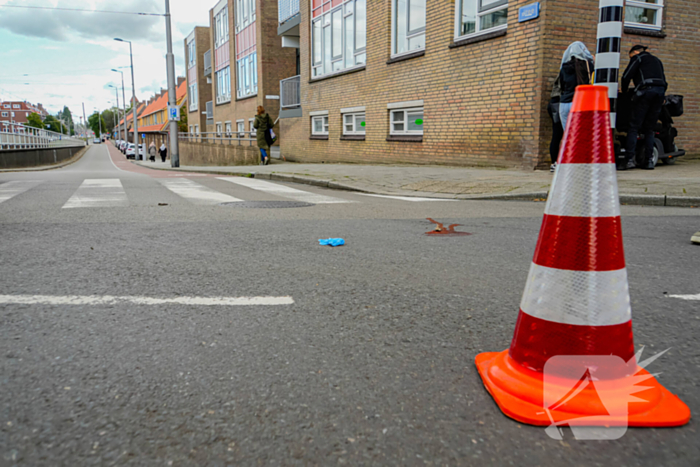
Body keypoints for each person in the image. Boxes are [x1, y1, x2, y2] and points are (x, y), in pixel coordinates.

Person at [620, 45, 667, 170]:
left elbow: (626, 76)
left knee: (634, 127)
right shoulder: (657, 60)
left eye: (630, 56)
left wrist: (624, 92)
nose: (631, 58)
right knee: (649, 129)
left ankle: (629, 160)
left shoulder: (638, 58)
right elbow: (664, 79)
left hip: (645, 92)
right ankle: (649, 161)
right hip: (659, 93)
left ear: (635, 52)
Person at [557, 42, 594, 130]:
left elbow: (561, 86)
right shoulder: (588, 66)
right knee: (580, 135)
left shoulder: (564, 67)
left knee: (568, 136)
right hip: (580, 102)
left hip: (564, 103)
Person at [547, 76, 564, 173]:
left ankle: (554, 162)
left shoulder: (563, 70)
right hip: (559, 103)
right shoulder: (573, 70)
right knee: (558, 134)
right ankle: (555, 162)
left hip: (555, 103)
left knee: (557, 135)